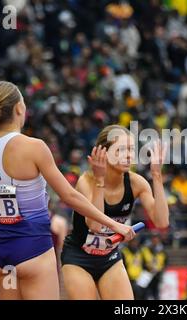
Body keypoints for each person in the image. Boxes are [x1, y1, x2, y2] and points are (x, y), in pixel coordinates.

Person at [0, 81, 135, 300]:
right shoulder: (34, 147)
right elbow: (69, 196)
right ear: (19, 109)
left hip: (0, 253)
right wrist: (114, 223)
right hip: (32, 248)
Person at [61, 124, 169, 300]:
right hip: (79, 257)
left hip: (109, 257)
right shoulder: (86, 181)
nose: (128, 155)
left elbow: (162, 222)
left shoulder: (136, 183)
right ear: (104, 152)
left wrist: (157, 176)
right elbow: (95, 225)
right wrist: (100, 180)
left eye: (131, 150)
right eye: (120, 150)